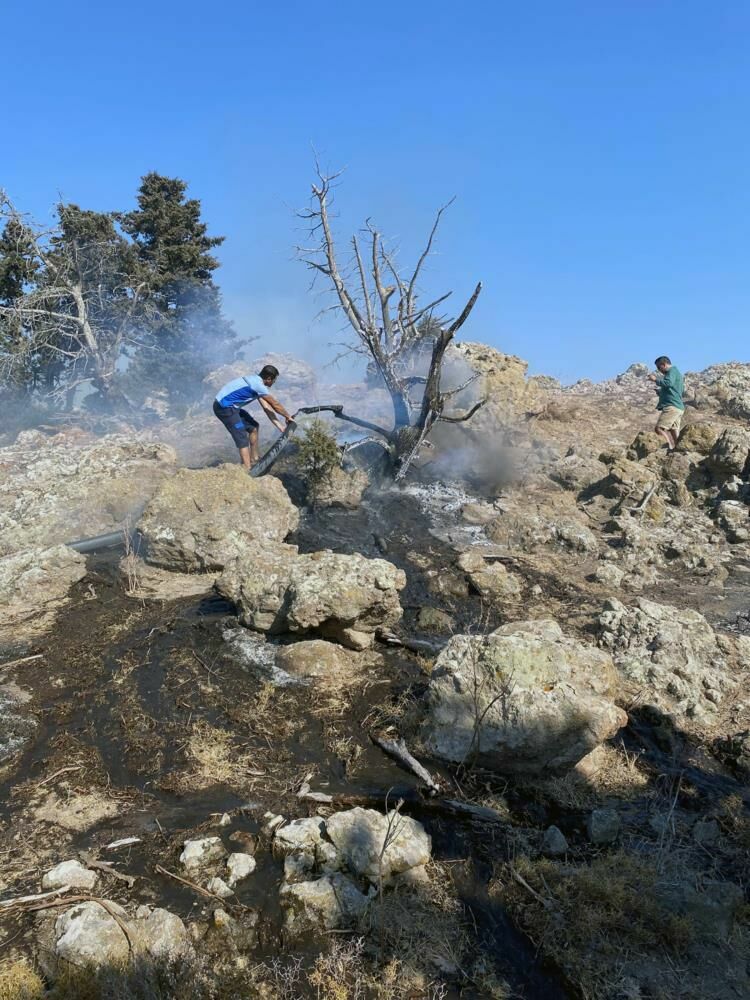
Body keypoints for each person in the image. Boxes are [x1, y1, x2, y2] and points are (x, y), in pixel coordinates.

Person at [213, 364, 294, 470]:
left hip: (232, 407)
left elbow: (266, 408)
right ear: (269, 379)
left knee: (253, 427)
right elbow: (275, 404)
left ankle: (254, 458)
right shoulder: (257, 386)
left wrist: (280, 426)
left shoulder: (256, 381)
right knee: (242, 437)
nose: (274, 382)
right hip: (224, 408)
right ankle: (247, 470)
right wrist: (287, 416)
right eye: (274, 380)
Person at [647, 355, 684, 451]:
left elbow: (668, 383)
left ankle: (668, 448)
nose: (659, 370)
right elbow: (673, 389)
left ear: (664, 364)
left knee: (659, 429)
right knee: (673, 430)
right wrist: (660, 392)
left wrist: (655, 380)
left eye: (659, 367)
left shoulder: (672, 371)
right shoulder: (676, 373)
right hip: (678, 407)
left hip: (672, 406)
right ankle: (679, 450)